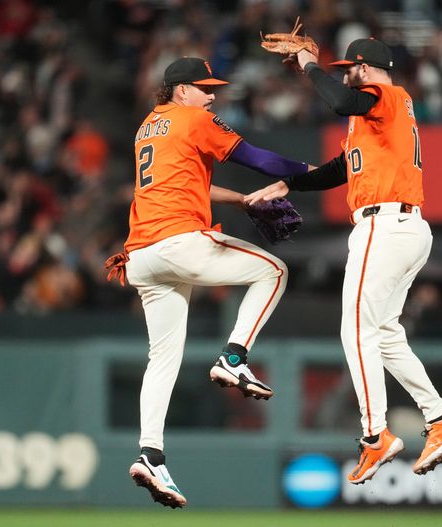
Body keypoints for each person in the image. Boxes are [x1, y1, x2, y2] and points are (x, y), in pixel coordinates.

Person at [246, 38, 442, 483]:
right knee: (384, 334)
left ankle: (375, 436)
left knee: (355, 329)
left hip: (384, 226)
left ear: (366, 68)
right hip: (402, 227)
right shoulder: (374, 117)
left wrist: (310, 67)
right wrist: (290, 183)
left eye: (351, 66)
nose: (346, 71)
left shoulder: (384, 95)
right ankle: (439, 416)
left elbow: (341, 100)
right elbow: (340, 169)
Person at [116, 57, 313, 508]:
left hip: (141, 255)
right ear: (180, 90)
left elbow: (189, 187)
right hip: (179, 242)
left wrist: (241, 201)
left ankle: (150, 454)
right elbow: (256, 158)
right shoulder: (193, 116)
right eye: (203, 88)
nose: (211, 95)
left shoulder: (149, 126)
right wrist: (312, 173)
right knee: (274, 271)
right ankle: (234, 357)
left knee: (162, 358)